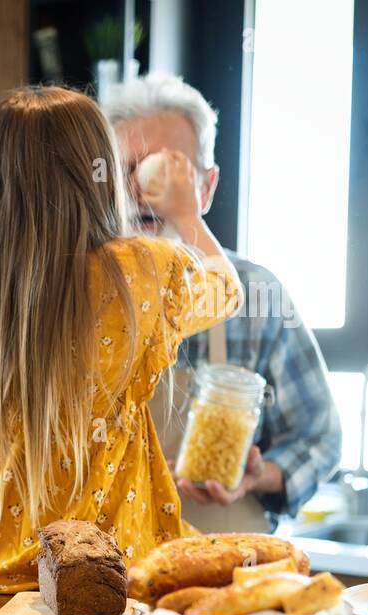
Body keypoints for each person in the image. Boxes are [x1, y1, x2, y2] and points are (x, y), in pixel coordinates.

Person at [0, 86, 243, 593]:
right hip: (107, 565)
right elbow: (227, 291)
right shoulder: (145, 270)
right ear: (99, 175)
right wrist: (187, 214)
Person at [104, 74, 342, 531]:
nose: (144, 190)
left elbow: (319, 436)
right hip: (111, 576)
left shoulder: (256, 296)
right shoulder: (91, 296)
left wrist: (257, 475)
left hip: (228, 571)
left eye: (168, 170)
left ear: (206, 187)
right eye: (127, 169)